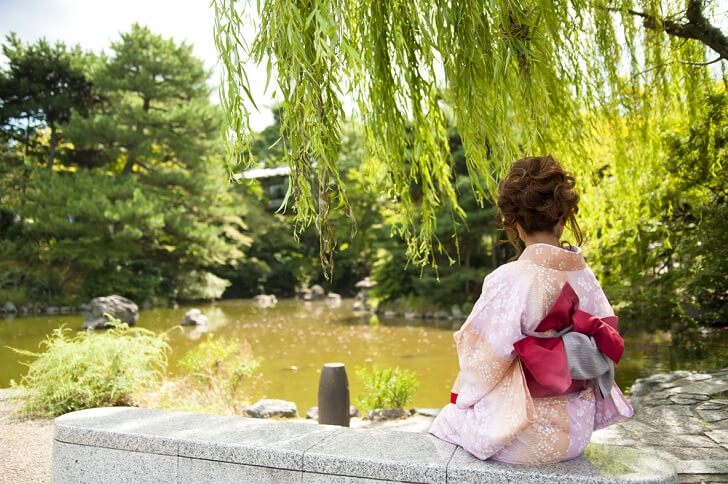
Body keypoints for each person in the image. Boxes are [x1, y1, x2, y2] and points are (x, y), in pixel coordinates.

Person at [428, 155, 633, 464]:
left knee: (447, 421)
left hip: (521, 434)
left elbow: (482, 363)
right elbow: (603, 341)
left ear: (515, 225)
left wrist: (464, 399)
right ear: (563, 220)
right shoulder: (586, 278)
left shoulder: (508, 279)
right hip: (576, 433)